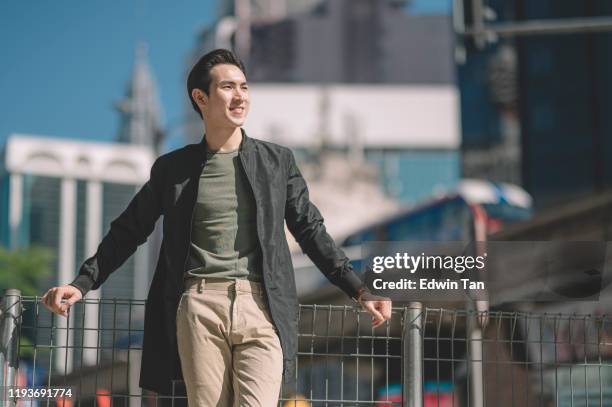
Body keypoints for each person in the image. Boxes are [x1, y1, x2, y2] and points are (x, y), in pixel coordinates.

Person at [42, 48, 392, 406]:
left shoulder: (277, 162)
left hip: (262, 306)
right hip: (198, 305)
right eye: (228, 87)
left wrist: (359, 289)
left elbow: (310, 229)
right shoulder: (173, 169)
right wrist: (82, 283)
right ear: (201, 98)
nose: (240, 96)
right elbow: (129, 230)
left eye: (243, 86)